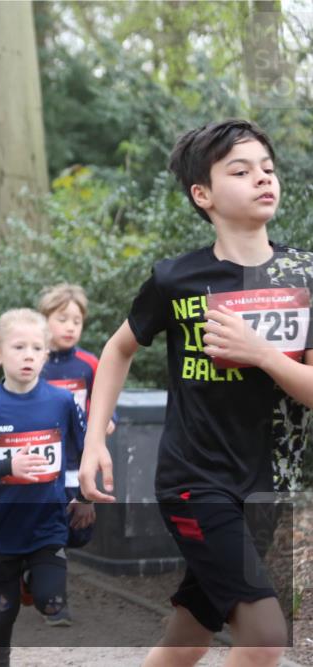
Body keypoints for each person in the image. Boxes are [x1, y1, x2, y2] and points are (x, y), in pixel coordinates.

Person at [79, 119, 313, 667]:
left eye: (268, 168)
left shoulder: (304, 276)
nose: (262, 178)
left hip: (266, 489)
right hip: (195, 481)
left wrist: (262, 354)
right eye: (241, 170)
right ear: (202, 194)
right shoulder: (176, 279)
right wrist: (94, 441)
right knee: (265, 637)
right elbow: (117, 350)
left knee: (187, 638)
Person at [0, 308, 87, 667]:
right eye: (18, 347)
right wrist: (7, 466)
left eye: (36, 348)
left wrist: (86, 497)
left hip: (49, 523)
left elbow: (87, 449)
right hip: (3, 528)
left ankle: (34, 583)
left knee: (53, 604)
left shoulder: (62, 401)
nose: (28, 355)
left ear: (46, 355)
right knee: (2, 611)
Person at [36, 283, 105, 549]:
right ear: (45, 320)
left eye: (77, 321)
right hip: (41, 459)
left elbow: (105, 403)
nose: (70, 327)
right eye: (62, 319)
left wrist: (108, 420)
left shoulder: (89, 363)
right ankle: (38, 577)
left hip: (78, 459)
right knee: (40, 531)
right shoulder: (33, 363)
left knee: (78, 534)